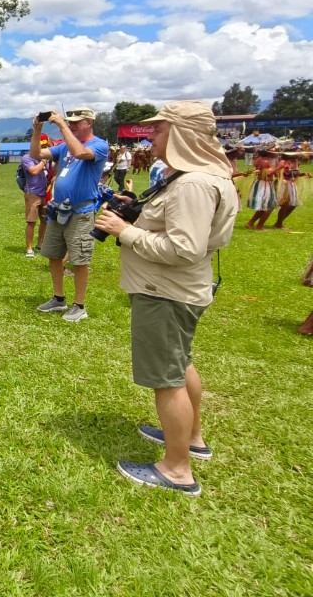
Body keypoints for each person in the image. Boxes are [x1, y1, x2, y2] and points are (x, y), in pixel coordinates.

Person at [94, 101, 238, 496]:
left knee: (166, 379)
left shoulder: (192, 184)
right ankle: (191, 438)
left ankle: (177, 469)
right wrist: (137, 215)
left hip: (166, 293)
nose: (150, 137)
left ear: (182, 133)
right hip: (181, 291)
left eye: (158, 130)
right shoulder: (203, 176)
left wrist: (125, 231)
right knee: (180, 363)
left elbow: (183, 248)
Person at [31, 106, 109, 322]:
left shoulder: (98, 145)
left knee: (79, 259)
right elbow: (36, 154)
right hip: (59, 210)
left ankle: (80, 305)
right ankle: (58, 298)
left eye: (76, 122)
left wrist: (62, 126)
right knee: (54, 255)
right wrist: (37, 130)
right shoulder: (64, 147)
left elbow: (81, 153)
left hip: (81, 211)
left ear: (90, 123)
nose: (72, 125)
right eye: (70, 122)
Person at [21, 135, 52, 258]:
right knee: (31, 222)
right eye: (42, 146)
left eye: (45, 146)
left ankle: (40, 244)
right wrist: (44, 161)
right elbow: (34, 171)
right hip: (32, 193)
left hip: (45, 192)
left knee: (45, 220)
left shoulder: (47, 158)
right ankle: (29, 248)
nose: (44, 149)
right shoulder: (27, 158)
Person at [243, 150, 283, 230]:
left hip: (264, 184)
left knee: (265, 206)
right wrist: (279, 166)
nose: (275, 153)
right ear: (268, 152)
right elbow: (267, 173)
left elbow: (271, 172)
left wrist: (277, 170)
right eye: (274, 151)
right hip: (264, 184)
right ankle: (259, 226)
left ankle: (250, 223)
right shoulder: (264, 161)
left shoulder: (263, 160)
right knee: (269, 206)